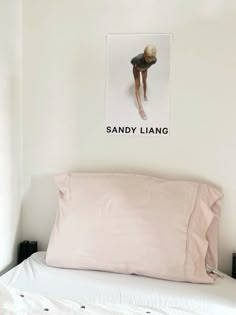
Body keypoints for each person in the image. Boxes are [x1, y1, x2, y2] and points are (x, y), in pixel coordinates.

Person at [131, 45, 157, 120]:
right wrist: (138, 68)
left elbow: (149, 63)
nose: (149, 60)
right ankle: (140, 108)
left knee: (144, 81)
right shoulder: (137, 59)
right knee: (137, 85)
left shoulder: (154, 60)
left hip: (144, 68)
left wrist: (145, 68)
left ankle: (145, 95)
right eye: (147, 58)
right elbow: (132, 62)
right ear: (144, 55)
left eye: (151, 59)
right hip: (137, 69)